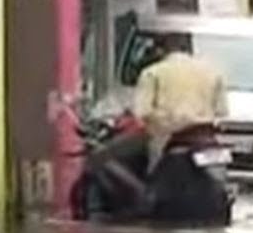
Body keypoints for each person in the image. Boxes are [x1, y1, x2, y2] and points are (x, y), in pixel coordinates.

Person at [89, 32, 229, 208]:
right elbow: (221, 111)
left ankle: (144, 200)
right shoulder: (213, 73)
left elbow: (141, 114)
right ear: (190, 49)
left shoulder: (153, 73)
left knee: (102, 158)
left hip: (166, 137)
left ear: (162, 51)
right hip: (208, 137)